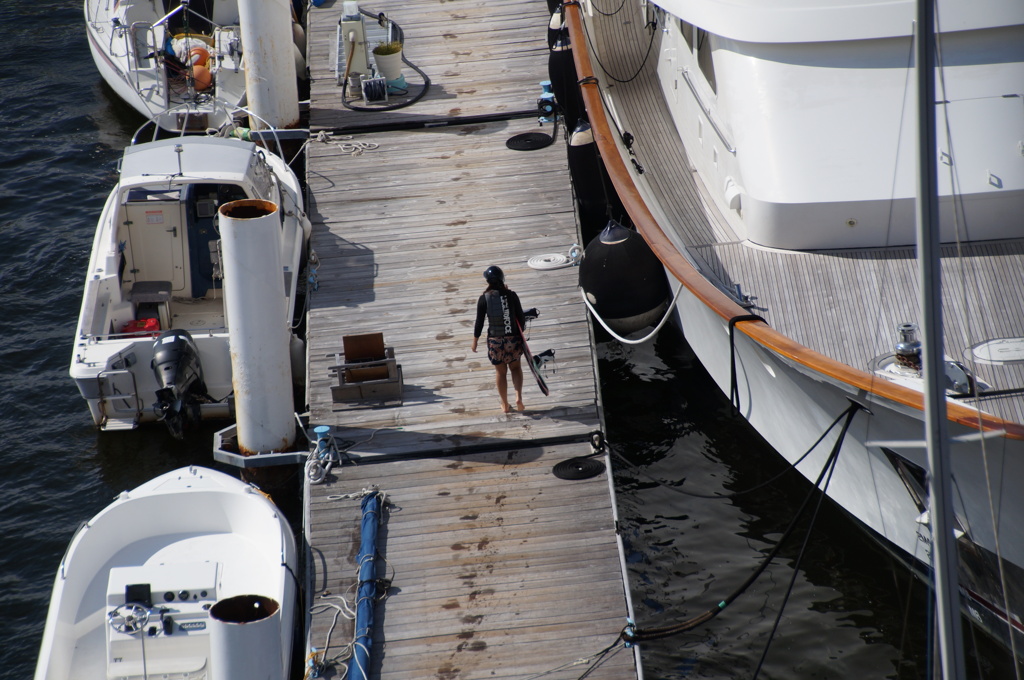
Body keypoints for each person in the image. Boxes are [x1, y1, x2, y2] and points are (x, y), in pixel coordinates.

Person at [471, 265, 526, 413]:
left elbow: (479, 322)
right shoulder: (512, 295)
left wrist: (475, 341)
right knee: (516, 368)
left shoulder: (484, 299)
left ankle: (505, 404)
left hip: (495, 343)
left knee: (501, 373)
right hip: (513, 340)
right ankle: (518, 396)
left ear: (488, 281)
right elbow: (521, 319)